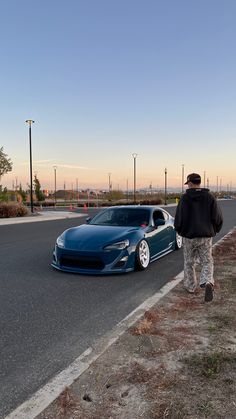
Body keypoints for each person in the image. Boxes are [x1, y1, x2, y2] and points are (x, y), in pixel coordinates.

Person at [174, 173, 223, 302]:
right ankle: (207, 282)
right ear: (199, 183)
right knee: (207, 261)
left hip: (189, 237)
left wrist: (180, 231)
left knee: (189, 262)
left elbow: (179, 219)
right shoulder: (209, 198)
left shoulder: (184, 199)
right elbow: (217, 217)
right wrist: (214, 230)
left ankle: (190, 287)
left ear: (190, 183)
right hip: (205, 236)